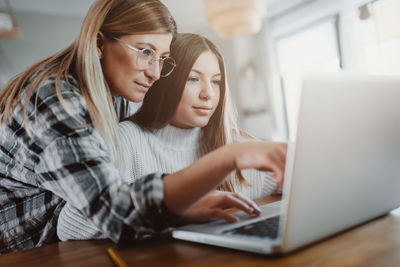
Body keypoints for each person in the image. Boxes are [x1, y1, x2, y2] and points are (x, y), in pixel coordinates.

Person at [0, 0, 287, 253]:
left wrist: (241, 144)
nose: (155, 72)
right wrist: (227, 158)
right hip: (23, 251)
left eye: (162, 58)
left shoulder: (117, 91)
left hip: (73, 244)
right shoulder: (56, 102)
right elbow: (115, 212)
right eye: (145, 51)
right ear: (100, 44)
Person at [57, 33, 283, 240]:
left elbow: (297, 176)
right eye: (193, 79)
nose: (208, 94)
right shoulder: (128, 139)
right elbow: (69, 227)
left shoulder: (236, 144)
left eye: (216, 81)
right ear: (166, 83)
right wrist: (173, 209)